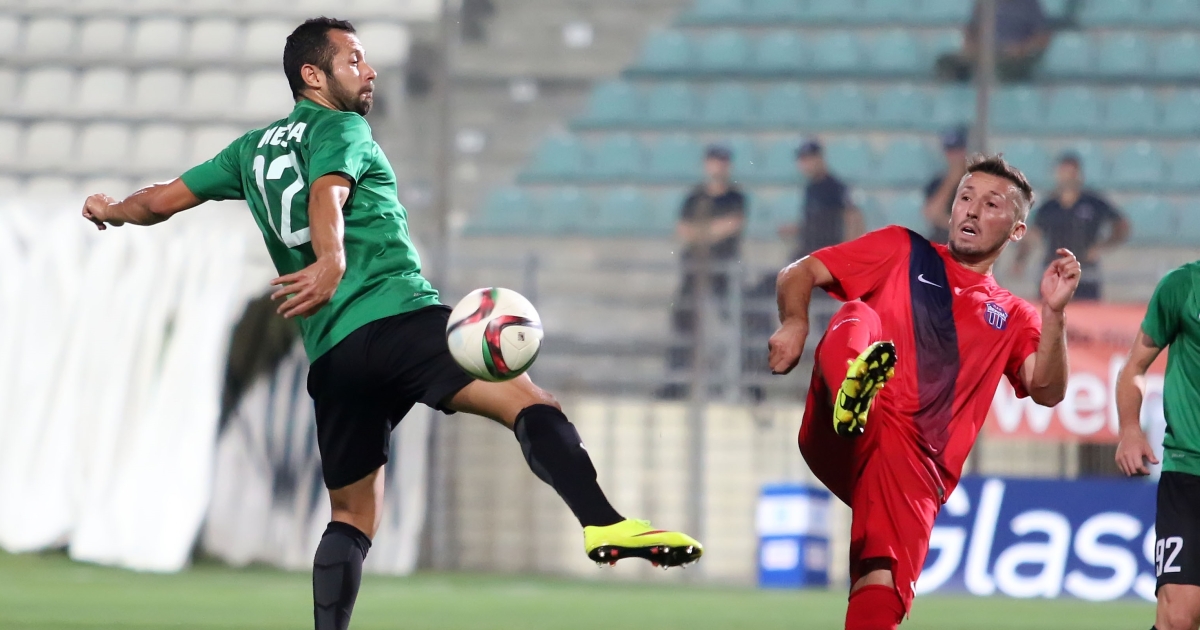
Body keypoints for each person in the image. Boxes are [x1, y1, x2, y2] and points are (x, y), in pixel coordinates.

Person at [80, 17, 701, 630]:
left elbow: (159, 200)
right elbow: (327, 192)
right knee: (530, 404)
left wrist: (112, 208)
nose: (369, 70)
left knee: (352, 516)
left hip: (333, 355)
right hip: (398, 318)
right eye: (353, 60)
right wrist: (332, 260)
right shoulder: (341, 126)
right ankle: (603, 523)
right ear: (312, 75)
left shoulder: (249, 151)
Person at [769, 154, 1078, 629]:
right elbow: (800, 271)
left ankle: (857, 397)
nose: (971, 210)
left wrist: (1054, 314)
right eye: (965, 197)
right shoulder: (900, 249)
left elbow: (1048, 390)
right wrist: (794, 323)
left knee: (879, 580)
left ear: (1017, 230)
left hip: (914, 465)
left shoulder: (1016, 315)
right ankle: (855, 392)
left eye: (991, 204)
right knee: (858, 312)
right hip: (845, 426)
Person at [1115, 260, 1200, 630]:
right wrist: (1130, 428)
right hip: (1189, 471)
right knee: (1178, 618)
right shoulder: (1183, 285)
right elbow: (1134, 367)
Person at [664, 144, 746, 397]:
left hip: (722, 275)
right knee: (683, 326)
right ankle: (675, 385)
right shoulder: (694, 197)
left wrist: (701, 232)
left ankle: (725, 386)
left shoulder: (734, 197)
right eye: (714, 161)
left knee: (726, 329)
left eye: (722, 161)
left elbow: (731, 225)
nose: (717, 166)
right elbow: (684, 230)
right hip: (694, 272)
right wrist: (711, 231)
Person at [1013, 152, 1129, 300]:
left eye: (1071, 173)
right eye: (1064, 173)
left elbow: (1121, 225)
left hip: (1084, 271)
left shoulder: (1093, 203)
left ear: (1079, 175)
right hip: (1054, 271)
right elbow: (1032, 236)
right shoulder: (1049, 207)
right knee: (1049, 311)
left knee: (1086, 312)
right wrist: (1020, 260)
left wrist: (1102, 246)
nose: (1067, 177)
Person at [784, 138, 865, 262]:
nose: (805, 164)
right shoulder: (810, 189)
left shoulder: (835, 187)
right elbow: (815, 223)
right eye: (802, 160)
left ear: (819, 158)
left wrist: (847, 253)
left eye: (809, 159)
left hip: (828, 254)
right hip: (810, 252)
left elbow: (853, 218)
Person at [936, 0, 1051, 83]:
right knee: (945, 62)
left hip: (1010, 57)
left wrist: (1021, 49)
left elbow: (1042, 36)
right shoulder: (983, 4)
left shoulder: (1029, 4)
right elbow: (970, 31)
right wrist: (972, 48)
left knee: (999, 68)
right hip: (983, 53)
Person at [922, 127, 970, 244]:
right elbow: (932, 213)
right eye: (950, 151)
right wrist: (951, 181)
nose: (953, 156)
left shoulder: (977, 182)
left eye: (958, 151)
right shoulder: (937, 182)